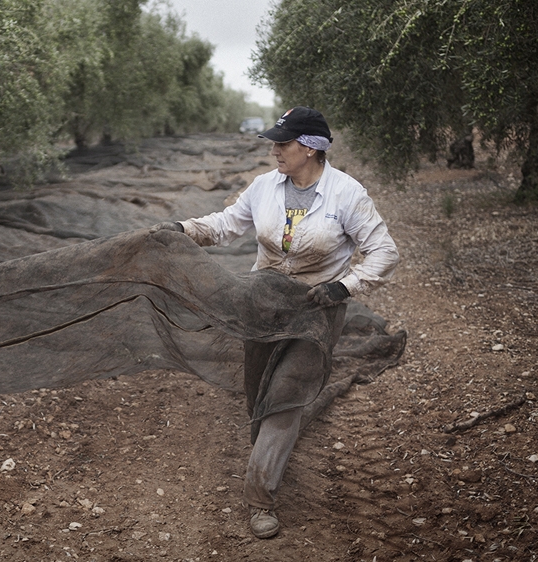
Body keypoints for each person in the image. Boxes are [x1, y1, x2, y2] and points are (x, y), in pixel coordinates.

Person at [150, 106, 398, 539]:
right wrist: (183, 228)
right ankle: (264, 457)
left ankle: (260, 499)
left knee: (287, 395)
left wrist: (346, 286)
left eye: (283, 143)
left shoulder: (347, 194)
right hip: (262, 303)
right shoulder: (266, 186)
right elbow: (228, 224)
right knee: (259, 393)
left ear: (310, 147)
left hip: (316, 310)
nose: (275, 151)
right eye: (275, 143)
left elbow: (384, 251)